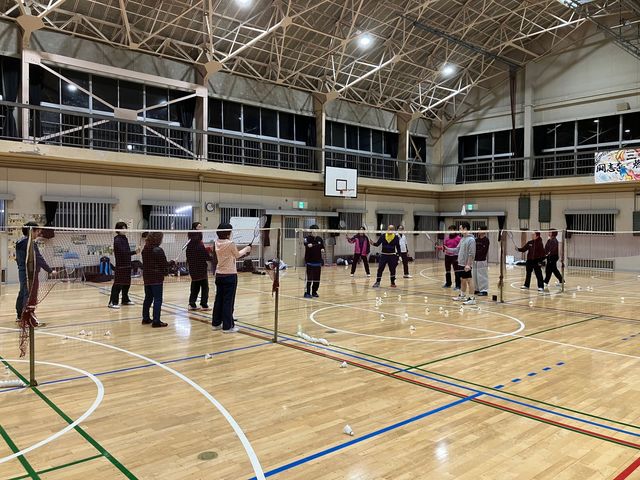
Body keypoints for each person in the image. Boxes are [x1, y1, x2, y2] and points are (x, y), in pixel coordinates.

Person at [212, 223, 251, 333]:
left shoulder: (216, 242)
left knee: (219, 300)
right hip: (230, 275)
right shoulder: (230, 243)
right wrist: (247, 249)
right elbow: (237, 255)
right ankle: (227, 326)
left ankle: (216, 323)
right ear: (228, 232)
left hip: (219, 275)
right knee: (228, 301)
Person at [15, 222, 55, 325]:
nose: (38, 234)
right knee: (29, 294)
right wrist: (50, 270)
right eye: (37, 231)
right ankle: (27, 318)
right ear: (31, 231)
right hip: (30, 274)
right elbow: (39, 259)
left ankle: (20, 315)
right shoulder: (30, 244)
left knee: (23, 292)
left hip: (22, 272)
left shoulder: (19, 242)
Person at [186, 222, 217, 310]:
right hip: (201, 268)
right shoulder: (199, 244)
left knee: (195, 286)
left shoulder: (190, 244)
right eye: (199, 227)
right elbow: (205, 256)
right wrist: (213, 259)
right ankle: (204, 304)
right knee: (204, 287)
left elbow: (192, 255)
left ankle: (192, 304)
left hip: (193, 268)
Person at [108, 222, 140, 309]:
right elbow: (123, 253)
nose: (124, 229)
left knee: (127, 283)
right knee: (118, 284)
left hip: (127, 264)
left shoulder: (124, 238)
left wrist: (135, 252)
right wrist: (134, 252)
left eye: (125, 228)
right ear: (118, 229)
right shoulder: (117, 240)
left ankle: (125, 300)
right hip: (120, 266)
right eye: (122, 228)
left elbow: (126, 252)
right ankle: (112, 302)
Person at [142, 232, 169, 327]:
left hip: (147, 277)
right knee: (157, 299)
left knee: (148, 298)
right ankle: (156, 321)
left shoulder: (145, 249)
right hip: (156, 278)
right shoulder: (158, 250)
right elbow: (164, 264)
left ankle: (145, 318)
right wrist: (172, 263)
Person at [448, 221, 476, 305]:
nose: (459, 230)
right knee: (463, 280)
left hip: (466, 264)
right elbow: (457, 249)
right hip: (460, 263)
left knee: (469, 280)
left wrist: (468, 264)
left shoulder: (471, 240)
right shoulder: (462, 239)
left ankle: (472, 298)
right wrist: (447, 249)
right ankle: (462, 295)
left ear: (465, 228)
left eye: (460, 228)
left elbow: (472, 253)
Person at [303, 225, 325, 298]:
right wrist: (307, 245)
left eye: (316, 231)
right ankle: (307, 292)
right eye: (314, 231)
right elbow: (305, 243)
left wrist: (322, 249)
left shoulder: (320, 239)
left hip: (318, 262)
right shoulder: (307, 238)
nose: (315, 232)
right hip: (309, 262)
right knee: (309, 278)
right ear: (311, 231)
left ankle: (314, 292)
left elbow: (322, 247)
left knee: (317, 279)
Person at [438, 225, 461, 290]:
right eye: (449, 230)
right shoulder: (446, 238)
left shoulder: (459, 238)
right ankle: (448, 283)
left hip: (455, 256)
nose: (450, 231)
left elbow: (459, 248)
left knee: (456, 271)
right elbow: (444, 247)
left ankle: (458, 285)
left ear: (455, 230)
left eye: (452, 229)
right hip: (447, 256)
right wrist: (440, 247)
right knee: (447, 270)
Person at [473, 226, 490, 296]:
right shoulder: (476, 240)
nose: (478, 231)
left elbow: (484, 251)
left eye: (479, 230)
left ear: (484, 231)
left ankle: (484, 290)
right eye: (478, 229)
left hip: (482, 260)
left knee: (482, 275)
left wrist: (478, 255)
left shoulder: (486, 240)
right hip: (475, 260)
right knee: (475, 275)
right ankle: (477, 289)